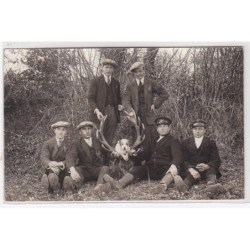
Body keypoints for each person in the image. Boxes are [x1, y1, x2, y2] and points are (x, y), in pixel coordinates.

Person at [103, 117, 188, 193]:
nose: (162, 128)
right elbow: (145, 155)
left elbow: (178, 155)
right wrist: (134, 154)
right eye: (160, 126)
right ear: (157, 129)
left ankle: (163, 185)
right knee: (137, 169)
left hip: (164, 168)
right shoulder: (153, 141)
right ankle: (119, 184)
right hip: (151, 169)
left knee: (171, 172)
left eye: (165, 126)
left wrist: (174, 165)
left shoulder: (173, 140)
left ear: (169, 128)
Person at [123, 62, 169, 160]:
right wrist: (129, 110)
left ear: (144, 71)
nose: (139, 74)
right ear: (133, 74)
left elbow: (164, 94)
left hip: (148, 116)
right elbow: (126, 100)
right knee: (136, 140)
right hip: (135, 116)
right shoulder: (130, 85)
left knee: (150, 139)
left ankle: (150, 162)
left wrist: (155, 104)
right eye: (136, 72)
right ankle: (137, 164)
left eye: (140, 71)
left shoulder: (151, 83)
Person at [64, 121, 111, 193]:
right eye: (84, 129)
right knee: (77, 169)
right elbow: (71, 157)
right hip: (84, 170)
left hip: (96, 170)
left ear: (92, 130)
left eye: (89, 128)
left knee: (105, 168)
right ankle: (72, 186)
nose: (87, 131)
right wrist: (73, 171)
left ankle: (99, 187)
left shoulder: (99, 141)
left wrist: (114, 154)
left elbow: (107, 153)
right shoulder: (76, 143)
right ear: (80, 132)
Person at [88, 58, 122, 146]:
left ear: (113, 70)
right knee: (97, 137)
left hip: (113, 113)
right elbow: (91, 98)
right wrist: (96, 111)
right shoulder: (95, 81)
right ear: (102, 68)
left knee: (110, 137)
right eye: (106, 67)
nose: (108, 70)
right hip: (99, 113)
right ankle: (98, 158)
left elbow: (118, 99)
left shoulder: (116, 83)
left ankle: (108, 157)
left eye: (111, 68)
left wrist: (119, 106)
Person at [181, 119, 222, 189]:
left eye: (200, 129)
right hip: (193, 169)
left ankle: (211, 186)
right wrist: (190, 169)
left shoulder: (210, 142)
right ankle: (184, 187)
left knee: (211, 171)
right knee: (189, 177)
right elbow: (183, 160)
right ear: (192, 130)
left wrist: (207, 166)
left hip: (207, 169)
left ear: (204, 130)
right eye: (195, 129)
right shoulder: (185, 143)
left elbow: (216, 160)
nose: (197, 131)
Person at [40, 121, 71, 193]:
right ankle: (53, 187)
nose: (61, 132)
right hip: (52, 169)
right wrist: (51, 164)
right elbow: (44, 157)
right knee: (52, 176)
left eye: (63, 130)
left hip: (64, 169)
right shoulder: (48, 143)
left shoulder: (70, 144)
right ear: (54, 131)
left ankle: (62, 186)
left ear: (66, 131)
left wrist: (60, 164)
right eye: (58, 129)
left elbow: (71, 158)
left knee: (67, 178)